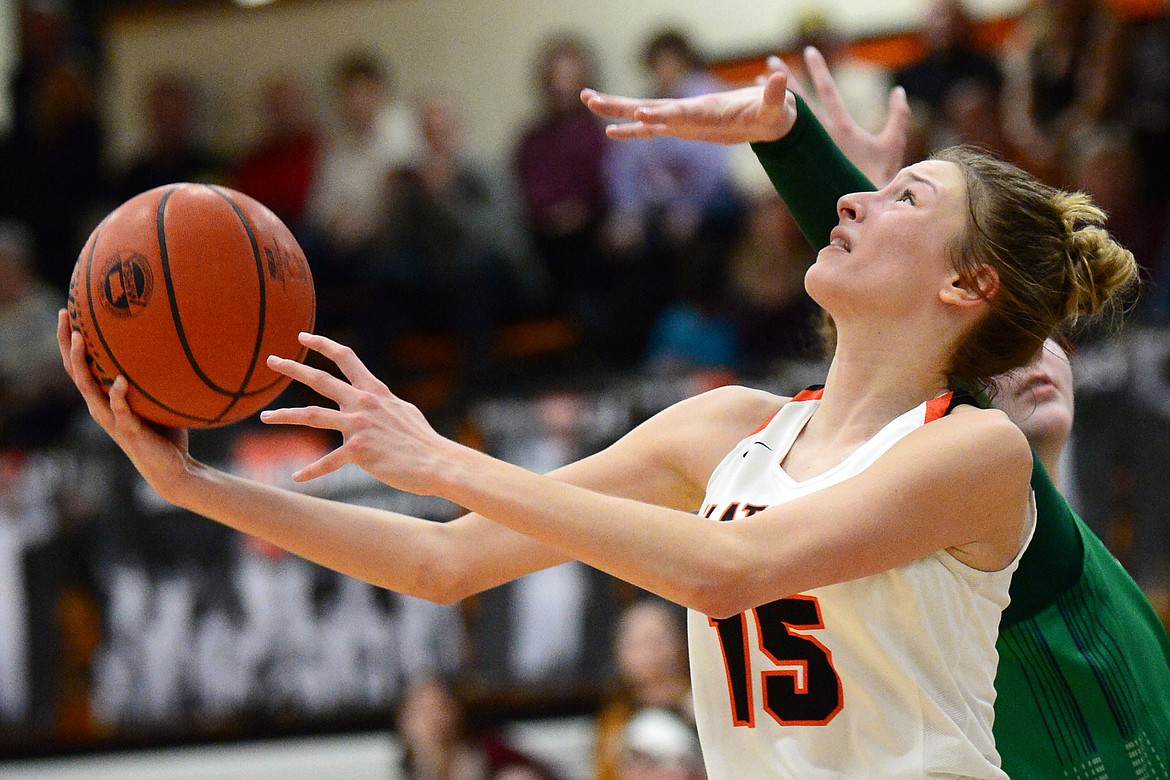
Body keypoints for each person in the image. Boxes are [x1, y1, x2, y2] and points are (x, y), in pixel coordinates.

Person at [59, 46, 1138, 780]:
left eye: (906, 197)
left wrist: (443, 459)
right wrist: (190, 485)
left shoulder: (976, 453)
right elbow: (441, 566)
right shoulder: (721, 433)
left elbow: (729, 571)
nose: (855, 196)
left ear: (968, 288)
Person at [581, 46, 1168, 776]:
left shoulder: (1048, 525)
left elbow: (913, 321)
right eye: (1003, 350)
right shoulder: (971, 467)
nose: (1030, 359)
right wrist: (834, 181)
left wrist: (864, 203)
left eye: (1045, 338)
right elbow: (906, 338)